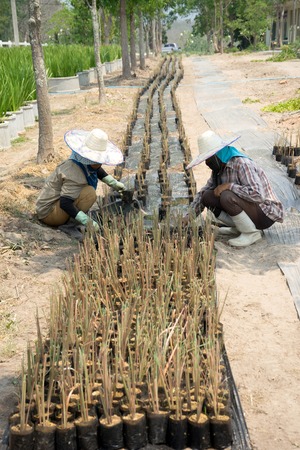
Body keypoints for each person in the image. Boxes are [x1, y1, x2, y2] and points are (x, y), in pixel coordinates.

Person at [184, 130, 284, 247]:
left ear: (218, 155)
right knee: (207, 196)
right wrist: (189, 216)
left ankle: (251, 233)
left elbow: (258, 195)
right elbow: (203, 193)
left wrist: (229, 186)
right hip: (251, 210)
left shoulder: (242, 164)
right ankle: (239, 228)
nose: (207, 162)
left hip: (265, 214)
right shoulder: (219, 169)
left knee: (226, 195)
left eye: (209, 158)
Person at [36, 128, 125, 237]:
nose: (101, 164)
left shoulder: (80, 158)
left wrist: (113, 183)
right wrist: (87, 221)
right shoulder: (73, 171)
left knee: (86, 191)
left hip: (53, 205)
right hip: (49, 213)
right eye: (99, 161)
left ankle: (71, 219)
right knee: (89, 193)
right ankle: (70, 225)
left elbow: (95, 169)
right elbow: (65, 203)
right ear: (91, 160)